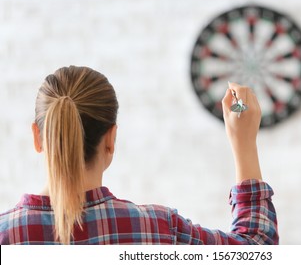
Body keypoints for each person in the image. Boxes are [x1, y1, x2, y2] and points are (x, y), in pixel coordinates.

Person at [0, 66, 278, 245]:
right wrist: (243, 143)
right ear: (111, 139)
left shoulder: (5, 236)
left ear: (38, 137)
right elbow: (257, 247)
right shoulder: (157, 228)